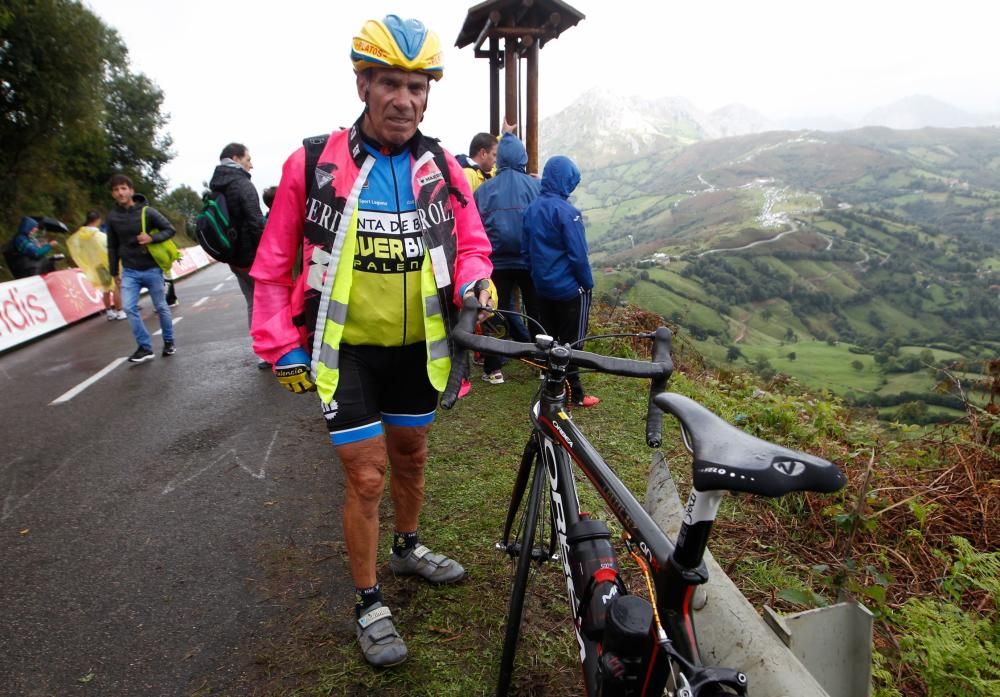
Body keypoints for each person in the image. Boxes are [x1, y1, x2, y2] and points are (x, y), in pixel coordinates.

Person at [250, 15, 494, 668]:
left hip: (419, 348)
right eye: (390, 83)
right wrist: (280, 344)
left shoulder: (444, 165)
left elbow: (471, 245)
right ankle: (368, 600)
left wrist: (476, 282)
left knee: (411, 456)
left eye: (418, 87)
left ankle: (408, 546)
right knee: (366, 475)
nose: (404, 100)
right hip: (347, 351)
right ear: (363, 85)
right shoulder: (312, 161)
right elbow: (274, 262)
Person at [523, 155, 600, 407]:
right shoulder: (568, 213)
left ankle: (551, 385)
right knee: (573, 343)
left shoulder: (532, 209)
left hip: (542, 288)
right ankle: (575, 394)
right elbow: (578, 256)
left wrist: (536, 276)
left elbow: (526, 250)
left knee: (551, 339)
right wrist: (586, 284)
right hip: (569, 290)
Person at [473, 127, 541, 384]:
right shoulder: (536, 187)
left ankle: (493, 369)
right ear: (522, 157)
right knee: (535, 311)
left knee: (493, 311)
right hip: (529, 261)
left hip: (496, 262)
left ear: (499, 158)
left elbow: (475, 228)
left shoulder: (484, 190)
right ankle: (541, 363)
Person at [106, 174, 177, 363]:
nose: (120, 193)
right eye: (116, 190)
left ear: (131, 190)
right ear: (112, 194)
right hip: (129, 270)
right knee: (129, 308)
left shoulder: (147, 212)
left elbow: (170, 229)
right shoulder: (112, 217)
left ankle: (169, 341)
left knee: (161, 307)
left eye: (123, 188)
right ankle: (145, 347)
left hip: (152, 268)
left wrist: (151, 238)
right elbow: (112, 246)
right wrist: (114, 272)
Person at [209, 142, 267, 367]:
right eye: (248, 159)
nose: (251, 165)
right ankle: (276, 348)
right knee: (270, 301)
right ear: (235, 158)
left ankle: (262, 351)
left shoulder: (217, 184)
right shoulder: (242, 184)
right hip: (252, 256)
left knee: (252, 302)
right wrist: (268, 253)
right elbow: (255, 221)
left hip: (233, 257)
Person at [66, 211, 126, 320]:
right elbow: (110, 248)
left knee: (106, 289)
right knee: (116, 287)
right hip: (107, 263)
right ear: (97, 220)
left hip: (96, 265)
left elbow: (77, 248)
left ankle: (109, 312)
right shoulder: (100, 235)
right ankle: (120, 311)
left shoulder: (80, 236)